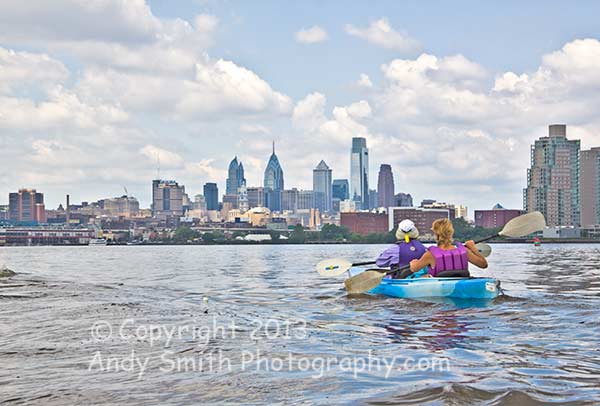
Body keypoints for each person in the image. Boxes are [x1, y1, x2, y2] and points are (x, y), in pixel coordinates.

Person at [409, 218, 487, 277]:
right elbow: (483, 264)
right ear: (451, 232)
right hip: (461, 284)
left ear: (435, 233)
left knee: (424, 276)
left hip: (440, 288)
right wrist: (473, 248)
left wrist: (413, 263)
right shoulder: (464, 251)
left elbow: (414, 269)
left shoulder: (430, 254)